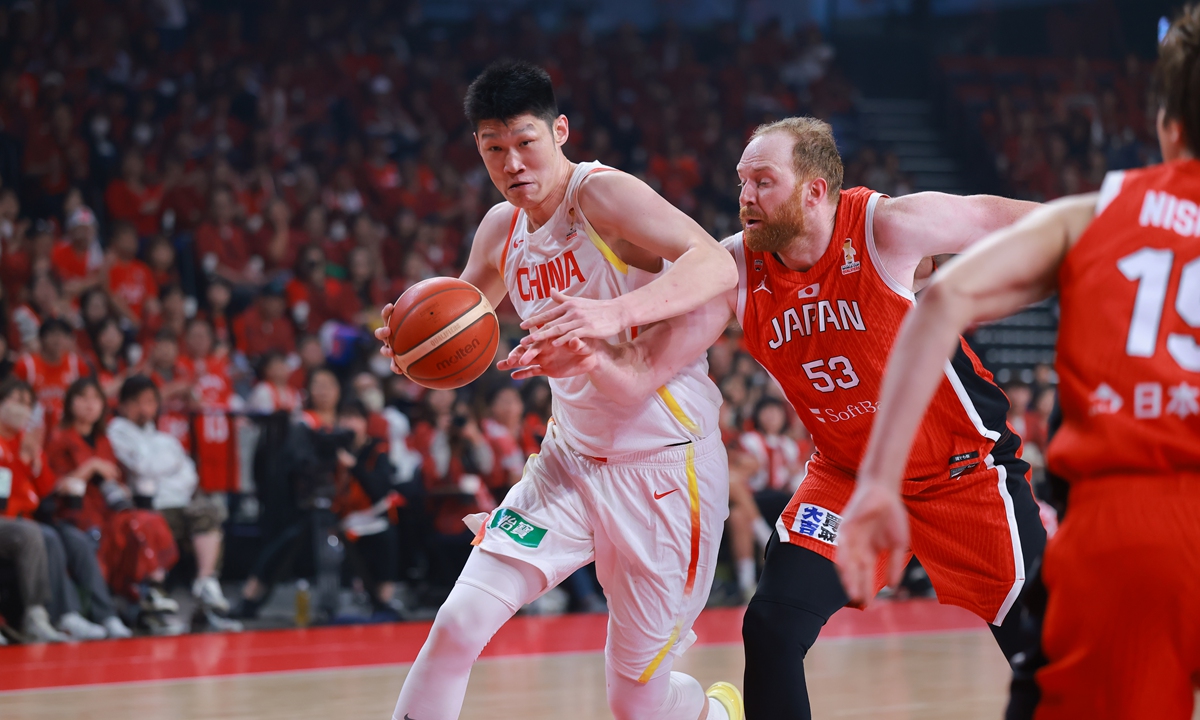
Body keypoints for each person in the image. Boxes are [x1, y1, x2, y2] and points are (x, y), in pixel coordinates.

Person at [501, 116, 1045, 718]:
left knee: (1045, 651)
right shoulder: (733, 270)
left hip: (963, 473)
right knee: (771, 629)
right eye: (742, 182)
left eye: (763, 182)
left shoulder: (886, 228)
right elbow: (640, 373)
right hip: (848, 478)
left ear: (814, 190)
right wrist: (587, 357)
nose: (745, 197)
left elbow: (1016, 222)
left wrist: (1108, 244)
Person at [838, 8, 1200, 718]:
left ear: (1167, 126)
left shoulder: (1097, 215)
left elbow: (942, 300)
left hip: (1124, 532)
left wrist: (878, 481)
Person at [378, 60, 743, 719]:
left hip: (665, 468)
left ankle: (715, 714)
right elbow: (464, 321)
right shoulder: (501, 229)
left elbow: (716, 264)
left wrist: (615, 313)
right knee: (457, 624)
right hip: (567, 464)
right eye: (494, 149)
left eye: (525, 142)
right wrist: (415, 348)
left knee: (637, 704)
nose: (512, 163)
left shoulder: (601, 195)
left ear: (560, 132)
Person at [107, 375, 241, 631]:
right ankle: (154, 602)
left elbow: (188, 474)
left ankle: (206, 589)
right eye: (136, 402)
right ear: (123, 405)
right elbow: (142, 468)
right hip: (143, 508)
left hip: (177, 503)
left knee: (207, 512)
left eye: (149, 402)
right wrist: (169, 466)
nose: (144, 408)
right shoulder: (116, 432)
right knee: (153, 523)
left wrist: (163, 471)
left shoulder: (163, 438)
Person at [0, 378, 121, 640]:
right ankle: (42, 615)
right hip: (8, 520)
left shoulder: (27, 442)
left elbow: (46, 491)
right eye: (16, 401)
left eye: (28, 404)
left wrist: (33, 461)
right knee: (44, 536)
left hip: (32, 519)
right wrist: (20, 462)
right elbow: (4, 495)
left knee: (75, 540)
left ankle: (102, 615)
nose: (22, 409)